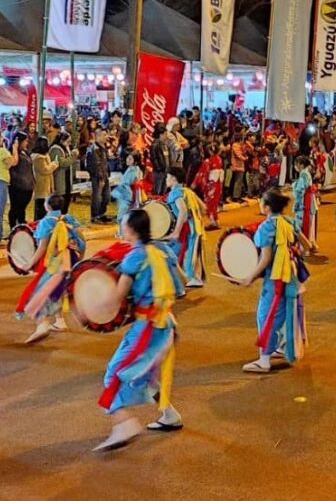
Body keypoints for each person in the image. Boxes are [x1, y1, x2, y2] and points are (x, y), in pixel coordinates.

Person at [94, 209, 186, 452]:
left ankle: (123, 424)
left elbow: (117, 298)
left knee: (115, 374)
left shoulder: (135, 258)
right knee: (146, 375)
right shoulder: (161, 251)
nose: (121, 228)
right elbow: (182, 284)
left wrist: (90, 306)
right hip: (166, 324)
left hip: (149, 329)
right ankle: (170, 415)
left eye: (123, 225)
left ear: (131, 230)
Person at [234, 190, 311, 373]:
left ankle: (264, 360)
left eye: (262, 201)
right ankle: (282, 348)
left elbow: (266, 258)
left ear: (267, 207)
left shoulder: (266, 228)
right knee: (284, 313)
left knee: (266, 316)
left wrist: (250, 277)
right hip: (292, 277)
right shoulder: (289, 222)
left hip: (276, 279)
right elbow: (307, 246)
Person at [16, 195, 86, 344]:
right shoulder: (69, 219)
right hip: (70, 259)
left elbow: (42, 248)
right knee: (58, 290)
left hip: (55, 263)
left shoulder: (46, 222)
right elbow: (82, 241)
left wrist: (29, 264)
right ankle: (60, 321)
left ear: (47, 206)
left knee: (40, 292)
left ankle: (43, 324)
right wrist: (80, 259)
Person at [165, 166, 207, 287]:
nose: (166, 179)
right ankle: (186, 276)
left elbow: (182, 211)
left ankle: (192, 277)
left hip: (189, 228)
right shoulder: (186, 191)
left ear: (174, 179)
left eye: (168, 177)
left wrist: (176, 231)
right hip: (193, 226)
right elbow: (203, 208)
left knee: (187, 252)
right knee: (186, 251)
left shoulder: (175, 193)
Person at [111, 153, 145, 237]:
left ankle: (123, 234)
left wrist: (116, 189)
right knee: (125, 215)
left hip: (126, 195)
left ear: (135, 161)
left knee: (122, 216)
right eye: (127, 158)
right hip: (127, 195)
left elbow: (126, 184)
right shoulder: (133, 169)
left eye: (130, 159)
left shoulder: (133, 172)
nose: (127, 160)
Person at [291, 156, 319, 251]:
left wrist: (294, 188)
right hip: (309, 200)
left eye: (296, 164)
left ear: (301, 165)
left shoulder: (303, 175)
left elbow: (299, 191)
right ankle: (312, 243)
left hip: (305, 202)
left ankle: (304, 246)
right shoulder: (306, 173)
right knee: (310, 223)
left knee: (301, 224)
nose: (295, 166)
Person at [7, 135, 34, 228]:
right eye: (25, 141)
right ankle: (13, 226)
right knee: (15, 207)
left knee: (22, 208)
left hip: (28, 184)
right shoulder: (12, 153)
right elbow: (14, 164)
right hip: (17, 185)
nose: (27, 143)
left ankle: (21, 224)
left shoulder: (25, 152)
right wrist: (15, 148)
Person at [50, 132, 76, 215]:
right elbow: (62, 163)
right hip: (60, 180)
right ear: (61, 140)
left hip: (66, 180)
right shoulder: (56, 149)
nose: (69, 144)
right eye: (68, 141)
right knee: (60, 203)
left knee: (66, 202)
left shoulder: (65, 148)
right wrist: (73, 156)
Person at [87, 130, 111, 223]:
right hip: (97, 177)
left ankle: (101, 214)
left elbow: (105, 163)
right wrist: (101, 178)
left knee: (106, 197)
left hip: (104, 175)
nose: (106, 136)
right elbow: (96, 165)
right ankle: (95, 216)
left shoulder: (103, 148)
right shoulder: (94, 149)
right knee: (97, 197)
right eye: (104, 135)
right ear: (98, 136)